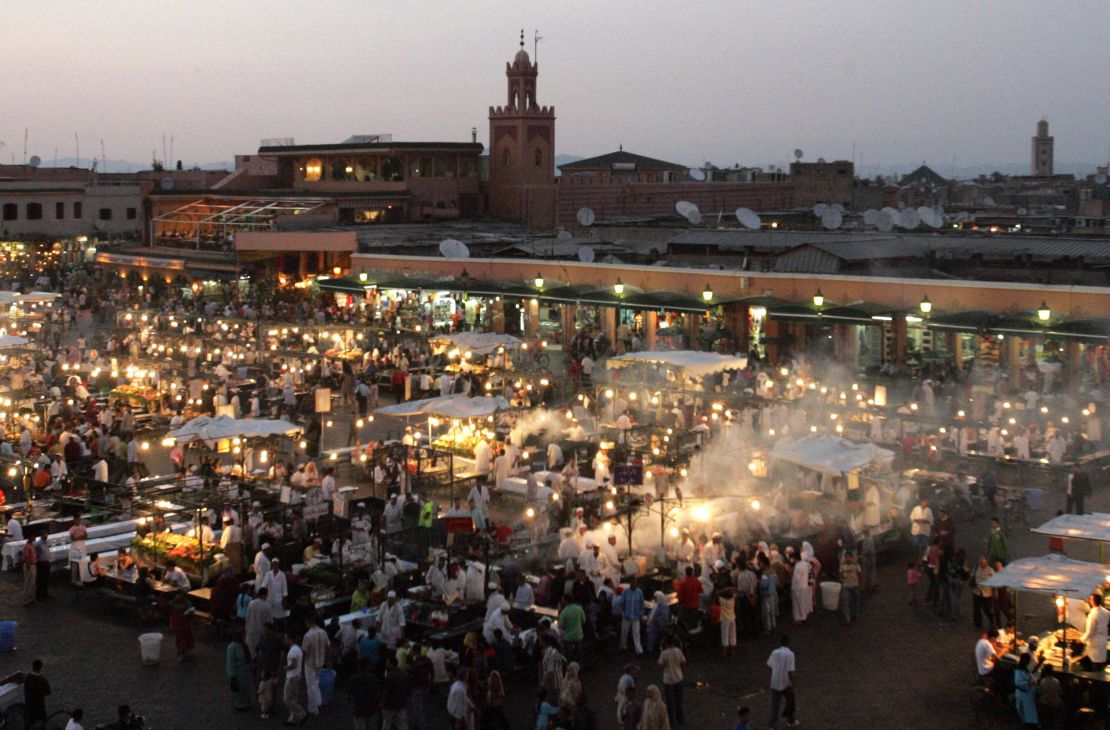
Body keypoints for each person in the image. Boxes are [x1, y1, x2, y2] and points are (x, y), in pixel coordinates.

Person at [766, 635, 798, 728]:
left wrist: (773, 676)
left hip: (775, 680)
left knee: (775, 703)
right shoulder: (790, 654)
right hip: (786, 682)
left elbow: (770, 666)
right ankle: (790, 719)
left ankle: (772, 722)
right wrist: (793, 683)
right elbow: (790, 671)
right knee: (790, 702)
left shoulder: (774, 652)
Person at [302, 614, 329, 717]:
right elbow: (328, 646)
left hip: (310, 663)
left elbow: (304, 650)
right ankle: (318, 702)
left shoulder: (308, 635)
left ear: (308, 622)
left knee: (310, 686)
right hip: (320, 661)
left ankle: (313, 709)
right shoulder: (323, 632)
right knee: (316, 682)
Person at [658, 636, 686, 727]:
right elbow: (683, 662)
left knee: (670, 703)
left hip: (668, 679)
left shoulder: (664, 653)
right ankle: (680, 720)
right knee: (679, 701)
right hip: (678, 677)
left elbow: (660, 664)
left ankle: (671, 722)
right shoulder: (677, 651)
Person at [348, 658, 383, 730]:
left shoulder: (352, 678)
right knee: (368, 725)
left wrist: (351, 701)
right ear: (367, 666)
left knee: (359, 726)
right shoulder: (372, 678)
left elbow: (348, 693)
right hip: (369, 706)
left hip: (358, 706)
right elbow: (376, 692)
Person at [1080, 591, 1110, 670]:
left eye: (1090, 599)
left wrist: (1081, 639)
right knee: (1101, 663)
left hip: (1095, 643)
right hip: (1103, 641)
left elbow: (1090, 632)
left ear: (1092, 601)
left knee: (1096, 664)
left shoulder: (1092, 614)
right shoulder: (1106, 612)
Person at [380, 654, 410, 730]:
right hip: (401, 702)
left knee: (387, 723)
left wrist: (382, 703)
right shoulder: (403, 673)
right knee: (402, 724)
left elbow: (387, 691)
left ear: (390, 664)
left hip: (390, 704)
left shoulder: (390, 676)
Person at [226, 631, 253, 711]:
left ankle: (246, 703)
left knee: (245, 688)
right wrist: (232, 676)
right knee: (239, 689)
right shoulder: (232, 647)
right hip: (237, 672)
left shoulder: (244, 645)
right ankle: (239, 705)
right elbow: (230, 662)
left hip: (244, 671)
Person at [283, 631, 307, 725]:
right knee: (294, 697)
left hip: (292, 676)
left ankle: (301, 713)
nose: (284, 640)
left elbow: (293, 664)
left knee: (287, 698)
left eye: (285, 638)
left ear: (290, 639)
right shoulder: (298, 649)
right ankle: (294, 719)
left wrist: (285, 668)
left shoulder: (292, 650)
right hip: (297, 675)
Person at [619, 575, 646, 655]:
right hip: (626, 616)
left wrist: (641, 613)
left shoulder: (639, 592)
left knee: (636, 633)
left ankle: (638, 650)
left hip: (636, 617)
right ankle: (623, 646)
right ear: (630, 583)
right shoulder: (625, 592)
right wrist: (624, 612)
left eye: (635, 582)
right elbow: (622, 603)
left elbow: (642, 604)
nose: (634, 584)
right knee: (624, 632)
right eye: (633, 582)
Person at [23, 659, 50, 728]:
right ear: (40, 668)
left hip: (29, 702)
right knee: (42, 719)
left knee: (30, 719)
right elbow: (47, 692)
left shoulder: (27, 677)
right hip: (39, 703)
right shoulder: (42, 680)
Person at [1013, 653, 1039, 727]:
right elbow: (1018, 683)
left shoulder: (1025, 669)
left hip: (1028, 696)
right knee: (1025, 714)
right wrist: (1030, 682)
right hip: (1023, 696)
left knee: (1029, 714)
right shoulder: (1019, 670)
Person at [558, 597, 586, 663]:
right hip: (578, 635)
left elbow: (561, 625)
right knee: (579, 653)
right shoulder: (579, 609)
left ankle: (569, 665)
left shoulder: (564, 612)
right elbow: (584, 620)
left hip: (568, 637)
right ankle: (580, 665)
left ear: (566, 601)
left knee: (569, 655)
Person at [970, 557, 995, 628]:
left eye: (983, 563)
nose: (982, 564)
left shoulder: (990, 570)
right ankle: (978, 623)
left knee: (987, 609)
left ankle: (992, 621)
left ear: (986, 563)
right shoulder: (976, 568)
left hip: (987, 593)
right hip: (977, 591)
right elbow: (972, 577)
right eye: (980, 563)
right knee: (976, 608)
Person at [839, 551, 862, 624]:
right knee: (846, 602)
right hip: (846, 585)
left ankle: (855, 615)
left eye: (848, 557)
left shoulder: (856, 565)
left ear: (851, 557)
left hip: (855, 585)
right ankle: (847, 618)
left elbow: (860, 574)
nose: (847, 559)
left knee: (855, 601)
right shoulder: (843, 565)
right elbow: (840, 575)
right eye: (846, 557)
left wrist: (861, 583)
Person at [21, 535, 37, 605]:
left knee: (32, 582)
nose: (35, 538)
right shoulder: (27, 546)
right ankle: (26, 599)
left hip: (32, 565)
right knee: (28, 582)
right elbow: (26, 557)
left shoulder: (31, 545)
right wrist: (28, 566)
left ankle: (30, 598)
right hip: (29, 565)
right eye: (33, 536)